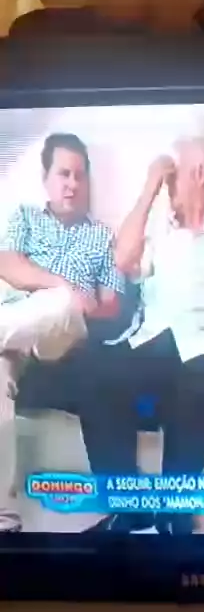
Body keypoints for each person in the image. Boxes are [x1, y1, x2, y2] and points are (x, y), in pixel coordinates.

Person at [78, 135, 204, 534]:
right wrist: (150, 186)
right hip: (152, 339)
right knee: (95, 374)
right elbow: (122, 260)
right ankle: (127, 507)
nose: (169, 187)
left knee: (200, 384)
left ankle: (173, 511)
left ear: (198, 174)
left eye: (173, 178)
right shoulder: (158, 233)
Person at [0, 132, 125, 532]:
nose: (72, 184)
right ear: (46, 178)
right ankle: (4, 522)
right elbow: (8, 266)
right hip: (15, 329)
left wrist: (73, 299)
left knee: (60, 305)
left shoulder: (102, 236)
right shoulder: (25, 217)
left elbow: (112, 304)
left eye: (79, 175)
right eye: (63, 174)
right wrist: (62, 284)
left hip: (62, 335)